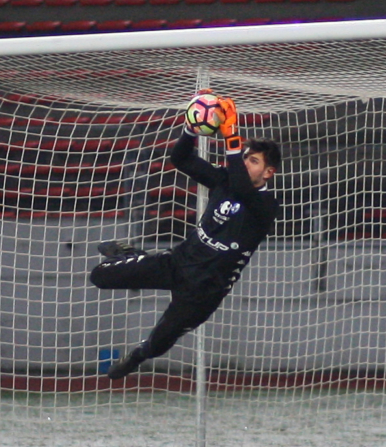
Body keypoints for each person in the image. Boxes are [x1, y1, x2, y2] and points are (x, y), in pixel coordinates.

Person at [90, 92, 282, 380]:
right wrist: (191, 129)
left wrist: (230, 135)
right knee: (99, 277)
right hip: (178, 262)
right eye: (244, 158)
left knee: (159, 344)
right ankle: (133, 255)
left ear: (269, 172)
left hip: (204, 291)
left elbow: (243, 189)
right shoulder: (225, 180)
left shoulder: (266, 205)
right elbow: (180, 158)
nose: (244, 163)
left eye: (253, 161)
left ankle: (136, 357)